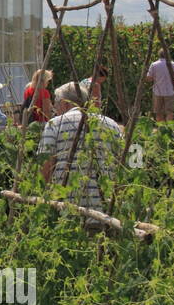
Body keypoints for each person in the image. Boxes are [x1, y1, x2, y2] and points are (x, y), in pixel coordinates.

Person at [38, 81, 123, 215]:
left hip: (67, 210)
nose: (55, 108)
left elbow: (45, 169)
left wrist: (46, 202)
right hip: (107, 211)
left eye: (56, 103)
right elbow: (124, 164)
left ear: (65, 103)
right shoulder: (112, 124)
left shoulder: (54, 125)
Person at [145, 49, 174, 122]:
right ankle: (169, 129)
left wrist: (156, 77)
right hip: (170, 91)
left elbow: (148, 78)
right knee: (169, 112)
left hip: (157, 91)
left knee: (158, 113)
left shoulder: (154, 64)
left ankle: (161, 130)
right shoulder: (173, 64)